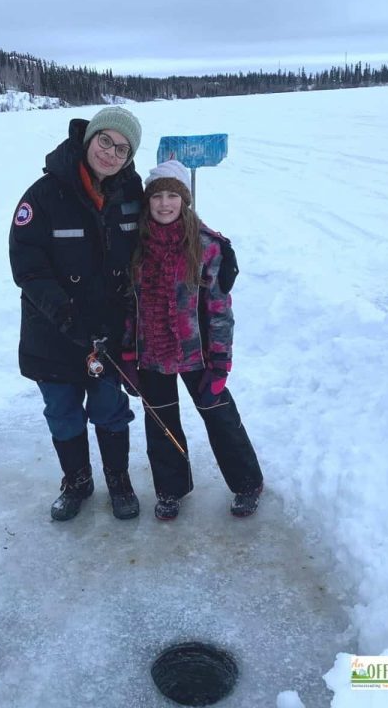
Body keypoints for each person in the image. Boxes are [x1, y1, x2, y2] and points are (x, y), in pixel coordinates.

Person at [9, 106, 144, 522]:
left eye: (122, 149)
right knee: (63, 411)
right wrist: (65, 314)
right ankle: (77, 480)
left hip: (107, 334)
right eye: (105, 141)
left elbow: (165, 232)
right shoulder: (43, 195)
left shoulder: (130, 194)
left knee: (110, 409)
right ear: (89, 139)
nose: (111, 153)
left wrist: (211, 246)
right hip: (53, 333)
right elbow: (27, 267)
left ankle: (118, 479)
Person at [121, 159, 264, 520]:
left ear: (184, 200)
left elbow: (219, 309)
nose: (164, 204)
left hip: (198, 354)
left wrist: (221, 363)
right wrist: (126, 353)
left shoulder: (207, 246)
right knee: (161, 424)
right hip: (151, 353)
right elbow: (127, 305)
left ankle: (247, 483)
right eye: (157, 196)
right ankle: (171, 490)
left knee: (220, 418)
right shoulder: (134, 245)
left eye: (173, 195)